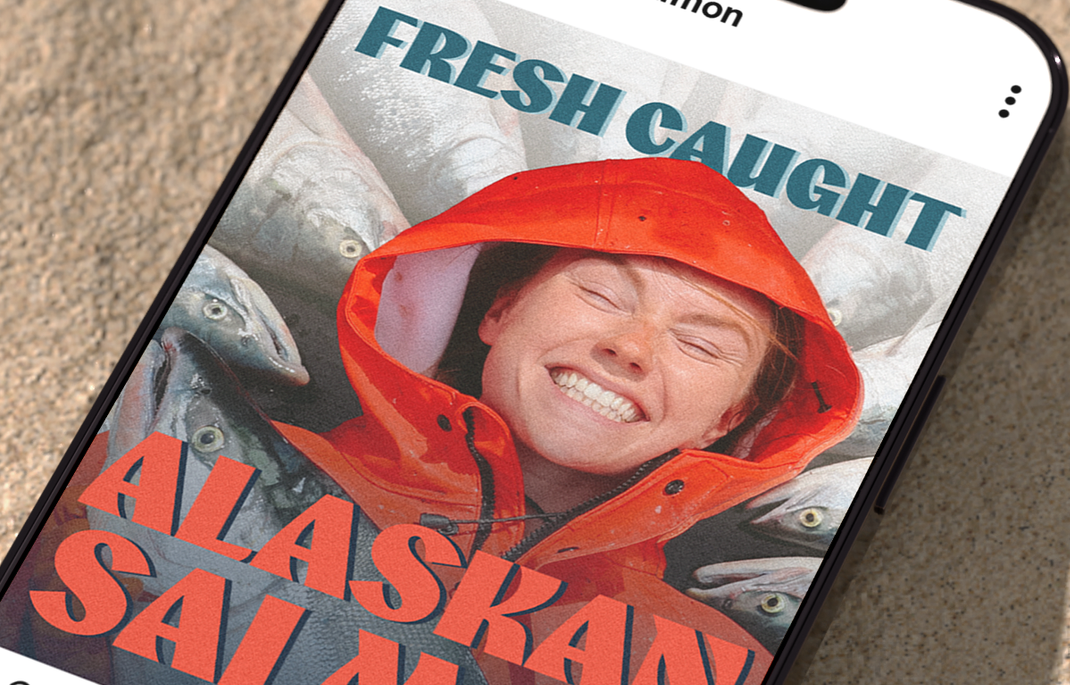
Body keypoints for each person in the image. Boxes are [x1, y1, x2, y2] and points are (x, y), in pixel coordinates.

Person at [277, 156, 861, 644]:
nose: (632, 348)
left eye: (700, 345)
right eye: (602, 294)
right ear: (500, 310)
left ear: (726, 421)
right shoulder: (219, 457)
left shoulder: (720, 676)